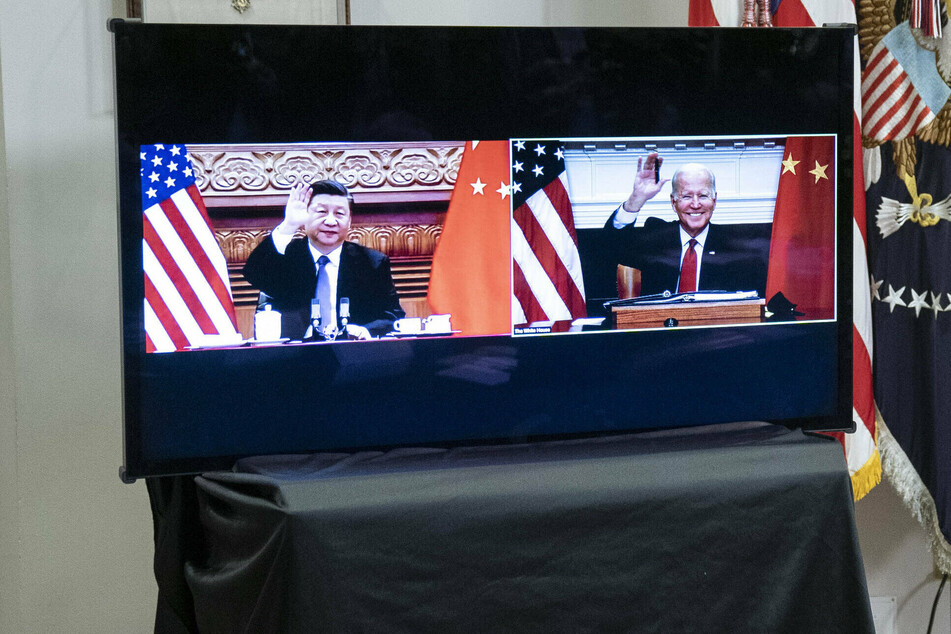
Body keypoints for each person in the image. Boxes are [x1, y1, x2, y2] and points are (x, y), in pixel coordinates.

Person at [243, 179, 405, 340]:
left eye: (339, 214)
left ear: (349, 221)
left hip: (352, 355)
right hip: (294, 356)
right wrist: (289, 225)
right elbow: (254, 273)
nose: (330, 221)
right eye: (321, 212)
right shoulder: (287, 256)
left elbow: (393, 316)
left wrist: (365, 331)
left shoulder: (372, 262)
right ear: (305, 215)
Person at [603, 152, 769, 297]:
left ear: (714, 200)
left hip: (715, 330)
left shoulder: (733, 245)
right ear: (673, 202)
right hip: (662, 329)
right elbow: (609, 250)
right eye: (687, 196)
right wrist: (635, 200)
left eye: (703, 195)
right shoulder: (656, 237)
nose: (695, 204)